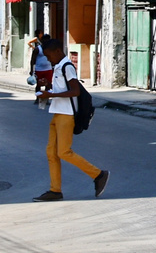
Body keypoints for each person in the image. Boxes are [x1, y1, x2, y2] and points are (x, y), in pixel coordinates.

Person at [32, 39, 109, 202]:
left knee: (64, 152)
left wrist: (51, 95)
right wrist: (49, 86)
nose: (47, 59)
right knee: (51, 153)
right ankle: (55, 190)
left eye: (48, 56)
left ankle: (98, 174)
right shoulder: (58, 66)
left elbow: (75, 91)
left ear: (58, 52)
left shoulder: (67, 67)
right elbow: (63, 89)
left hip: (66, 115)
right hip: (57, 113)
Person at [29, 35, 54, 103]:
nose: (47, 41)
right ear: (42, 40)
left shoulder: (51, 49)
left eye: (48, 40)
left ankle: (46, 99)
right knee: (39, 84)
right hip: (39, 69)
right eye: (45, 40)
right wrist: (31, 70)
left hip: (48, 69)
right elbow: (32, 60)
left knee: (48, 84)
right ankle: (38, 98)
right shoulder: (38, 49)